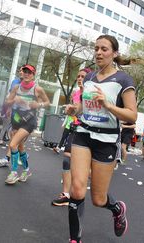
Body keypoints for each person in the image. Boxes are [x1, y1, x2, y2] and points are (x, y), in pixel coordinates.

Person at [65, 35, 137, 242]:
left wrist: (108, 105)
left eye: (104, 49)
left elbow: (131, 115)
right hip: (83, 134)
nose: (98, 52)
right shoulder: (88, 78)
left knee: (98, 199)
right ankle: (74, 239)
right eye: (96, 48)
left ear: (114, 53)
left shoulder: (123, 80)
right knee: (77, 188)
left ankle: (116, 208)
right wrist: (74, 109)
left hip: (106, 141)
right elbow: (83, 107)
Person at [4, 64, 50, 184]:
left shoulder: (37, 89)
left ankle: (13, 173)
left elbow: (47, 102)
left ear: (33, 75)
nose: (26, 74)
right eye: (25, 71)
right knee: (20, 147)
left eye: (29, 72)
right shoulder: (16, 87)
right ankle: (27, 170)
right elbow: (7, 101)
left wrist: (38, 105)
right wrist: (14, 100)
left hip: (29, 120)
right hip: (17, 119)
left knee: (13, 144)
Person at [52, 68, 89, 206]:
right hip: (76, 128)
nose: (79, 78)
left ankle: (79, 185)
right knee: (66, 160)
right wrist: (70, 110)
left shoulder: (92, 92)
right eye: (78, 76)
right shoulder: (76, 93)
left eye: (83, 76)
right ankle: (66, 194)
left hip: (90, 132)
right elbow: (76, 111)